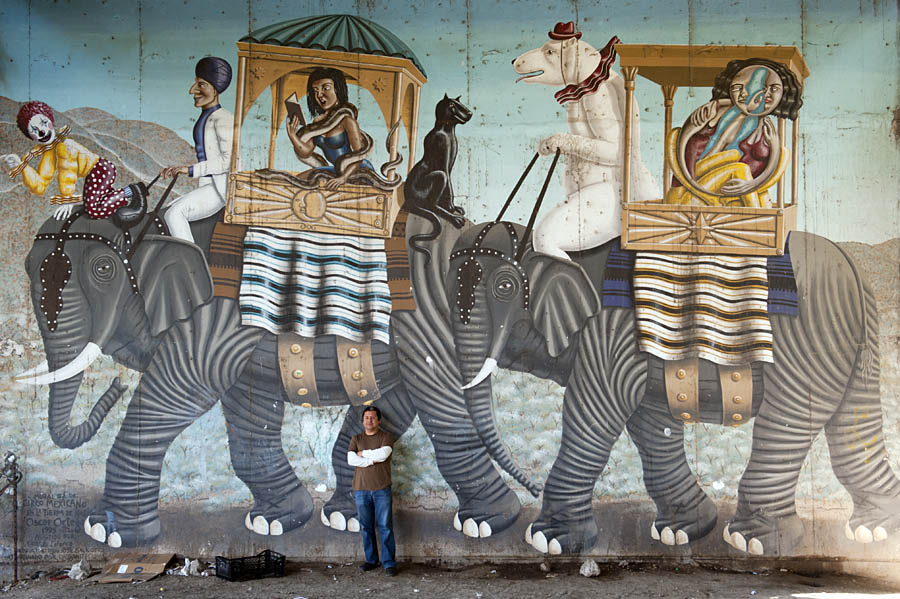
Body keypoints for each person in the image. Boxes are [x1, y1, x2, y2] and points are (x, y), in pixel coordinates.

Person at [666, 58, 802, 207]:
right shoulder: (714, 113)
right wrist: (699, 190)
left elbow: (774, 169)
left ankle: (756, 213)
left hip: (710, 190)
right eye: (738, 88)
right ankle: (755, 214)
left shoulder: (762, 126)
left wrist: (751, 185)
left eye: (771, 90)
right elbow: (717, 146)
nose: (765, 96)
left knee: (763, 195)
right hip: (687, 193)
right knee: (738, 164)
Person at [161, 56, 234, 242]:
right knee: (165, 210)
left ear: (215, 90)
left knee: (174, 214)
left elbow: (228, 161)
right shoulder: (208, 116)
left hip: (220, 190)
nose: (192, 90)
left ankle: (187, 258)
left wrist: (190, 169)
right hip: (208, 186)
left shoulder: (224, 118)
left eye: (201, 85)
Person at [1, 100, 99, 220]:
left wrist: (67, 200)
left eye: (43, 123)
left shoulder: (64, 145)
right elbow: (40, 185)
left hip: (101, 171)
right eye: (34, 130)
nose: (41, 131)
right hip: (91, 179)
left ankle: (121, 195)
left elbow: (67, 172)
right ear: (30, 137)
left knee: (92, 208)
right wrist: (22, 166)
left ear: (51, 121)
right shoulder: (50, 151)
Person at [284, 67, 375, 190]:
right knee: (296, 181)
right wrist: (292, 136)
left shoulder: (347, 121)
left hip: (358, 170)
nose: (319, 95)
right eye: (315, 91)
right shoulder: (317, 123)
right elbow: (305, 152)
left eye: (325, 88)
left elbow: (359, 156)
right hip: (337, 170)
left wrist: (343, 178)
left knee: (301, 180)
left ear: (337, 89)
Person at [347, 406, 397, 577]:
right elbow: (351, 459)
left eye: (373, 417)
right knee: (366, 527)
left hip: (382, 489)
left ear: (379, 420)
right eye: (367, 417)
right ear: (363, 421)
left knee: (385, 527)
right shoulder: (356, 438)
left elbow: (384, 454)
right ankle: (371, 560)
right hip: (361, 490)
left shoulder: (386, 437)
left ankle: (389, 563)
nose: (369, 420)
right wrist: (370, 460)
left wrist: (363, 454)